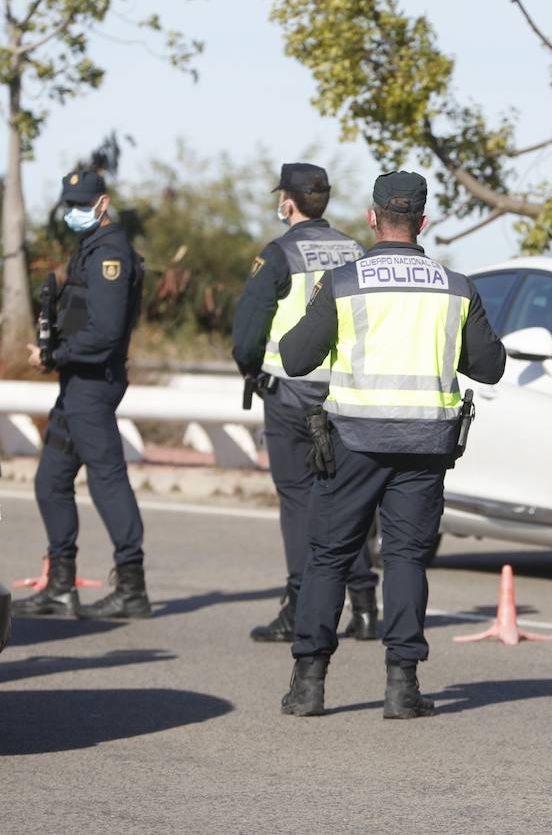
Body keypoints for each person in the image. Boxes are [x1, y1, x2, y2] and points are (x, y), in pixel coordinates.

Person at [276, 171, 506, 719]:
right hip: (425, 445)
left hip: (353, 440)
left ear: (373, 219)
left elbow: (295, 358)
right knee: (405, 558)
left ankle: (309, 685)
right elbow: (491, 367)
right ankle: (402, 686)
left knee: (329, 556)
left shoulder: (345, 282)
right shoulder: (456, 286)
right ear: (422, 223)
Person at [231, 162, 379, 643]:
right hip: (345, 397)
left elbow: (249, 330)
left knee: (298, 501)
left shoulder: (277, 255)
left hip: (291, 398)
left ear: (288, 202)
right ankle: (365, 606)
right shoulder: (356, 251)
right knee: (347, 501)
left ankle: (297, 607)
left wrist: (250, 367)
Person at [12, 168, 149, 621]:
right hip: (76, 383)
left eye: (81, 204)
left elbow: (106, 333)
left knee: (107, 479)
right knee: (51, 481)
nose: (73, 212)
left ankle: (131, 586)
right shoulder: (88, 249)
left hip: (93, 382)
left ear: (103, 203)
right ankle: (60, 586)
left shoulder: (111, 255)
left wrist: (55, 356)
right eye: (69, 205)